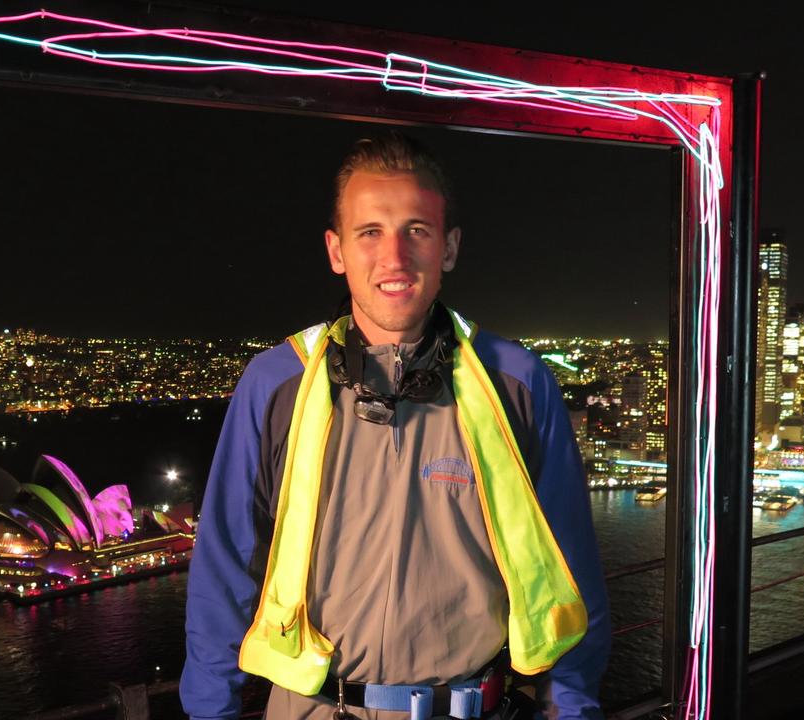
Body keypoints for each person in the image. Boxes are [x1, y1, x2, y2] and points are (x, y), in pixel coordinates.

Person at [181, 132, 609, 720]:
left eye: (417, 230)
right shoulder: (278, 382)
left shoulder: (515, 382)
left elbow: (570, 572)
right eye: (370, 233)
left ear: (449, 247)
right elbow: (225, 565)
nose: (395, 258)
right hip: (313, 709)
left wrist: (574, 711)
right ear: (336, 251)